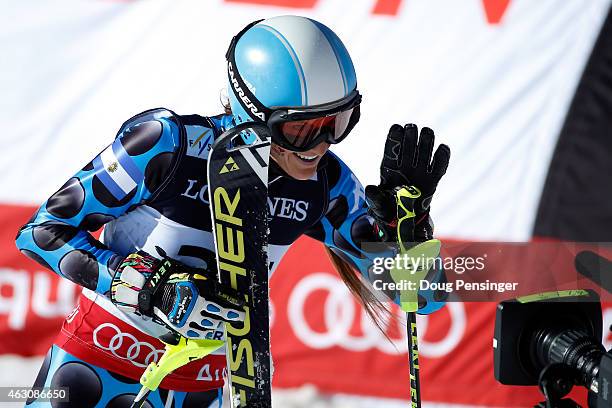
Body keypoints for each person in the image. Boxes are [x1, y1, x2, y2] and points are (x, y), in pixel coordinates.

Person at [15, 15, 450, 408]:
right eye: (299, 129)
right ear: (252, 111)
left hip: (202, 388)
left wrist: (408, 227)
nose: (320, 145)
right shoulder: (168, 145)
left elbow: (426, 301)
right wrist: (147, 285)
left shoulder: (326, 184)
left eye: (338, 122)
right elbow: (40, 232)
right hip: (98, 366)